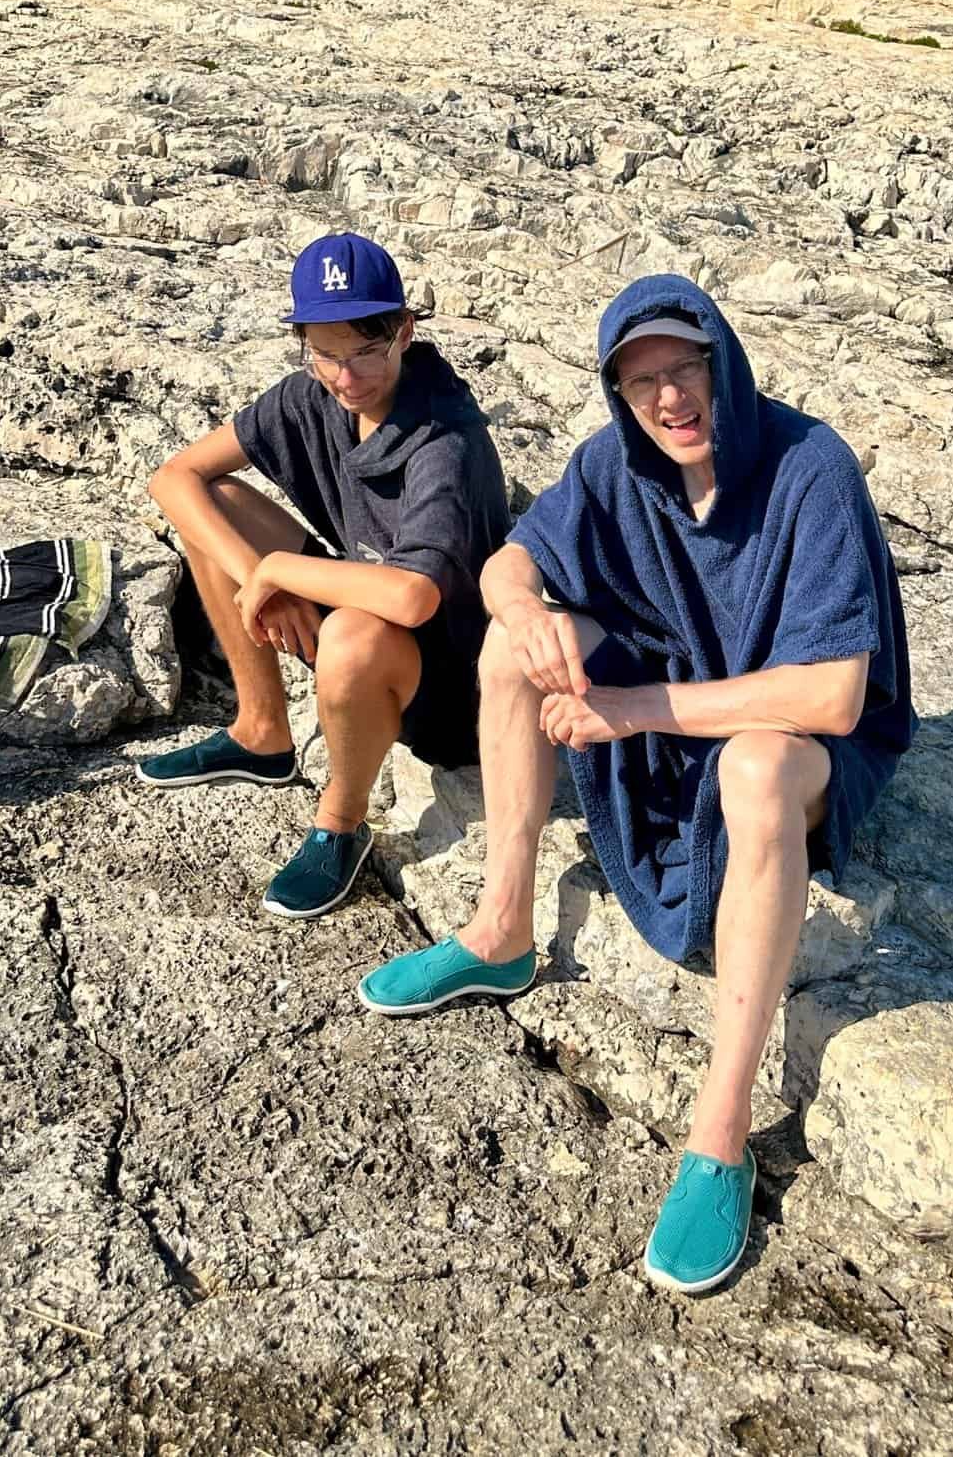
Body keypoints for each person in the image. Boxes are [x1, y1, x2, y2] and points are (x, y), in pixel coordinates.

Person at [359, 277, 913, 1295]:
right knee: (508, 654)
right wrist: (524, 611)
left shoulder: (811, 468)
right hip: (686, 673)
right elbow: (509, 564)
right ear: (618, 394)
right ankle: (501, 932)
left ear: (721, 360)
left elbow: (833, 694)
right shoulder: (617, 465)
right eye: (640, 380)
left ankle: (721, 1131)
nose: (668, 397)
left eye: (683, 367)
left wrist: (634, 708)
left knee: (752, 769)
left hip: (802, 740)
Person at [139, 234, 511, 920]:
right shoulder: (314, 395)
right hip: (366, 602)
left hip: (455, 689)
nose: (347, 376)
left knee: (352, 637)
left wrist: (278, 570)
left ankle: (340, 822)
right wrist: (259, 578)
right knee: (216, 509)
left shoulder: (447, 441)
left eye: (366, 350)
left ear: (404, 332)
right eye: (325, 353)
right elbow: (175, 477)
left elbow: (413, 595)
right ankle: (261, 733)